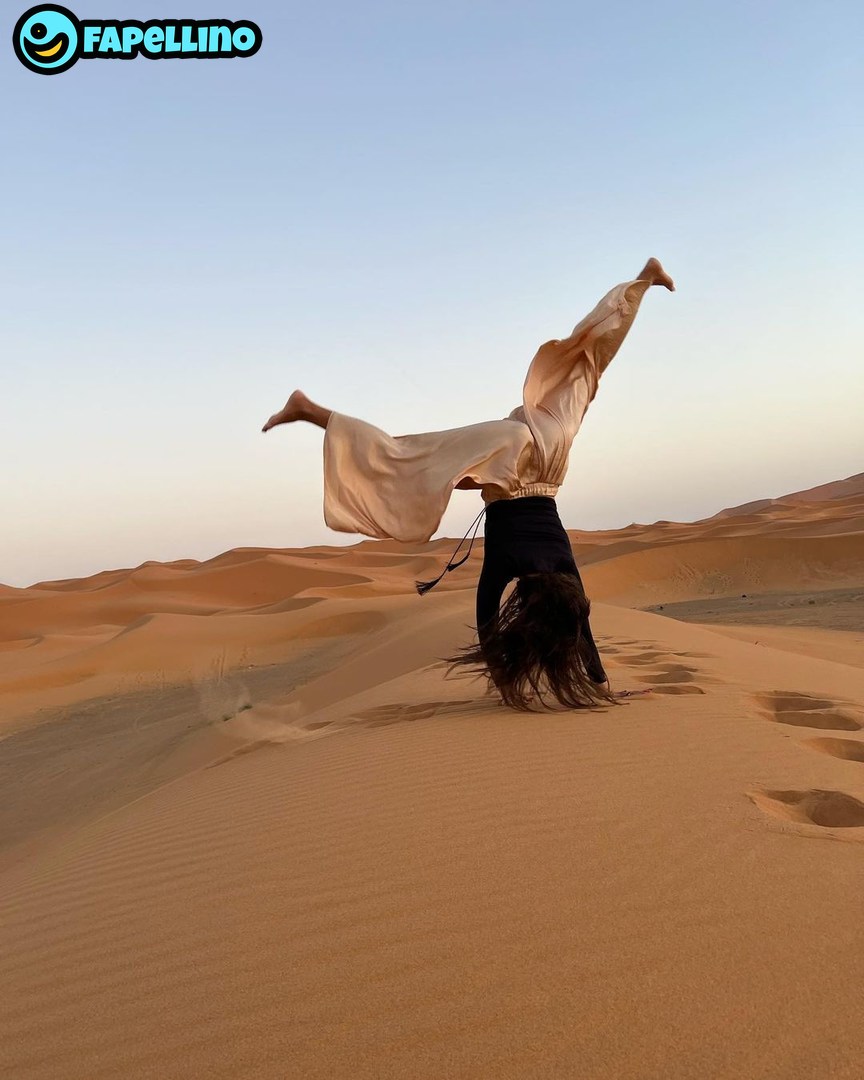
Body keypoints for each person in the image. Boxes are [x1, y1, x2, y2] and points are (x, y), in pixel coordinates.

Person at [262, 257, 674, 710]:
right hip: (515, 460)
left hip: (546, 451)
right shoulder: (509, 564)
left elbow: (578, 625)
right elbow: (489, 619)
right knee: (409, 457)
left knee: (586, 365)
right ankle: (309, 409)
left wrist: (593, 681)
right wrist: (512, 684)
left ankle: (644, 279)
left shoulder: (563, 568)